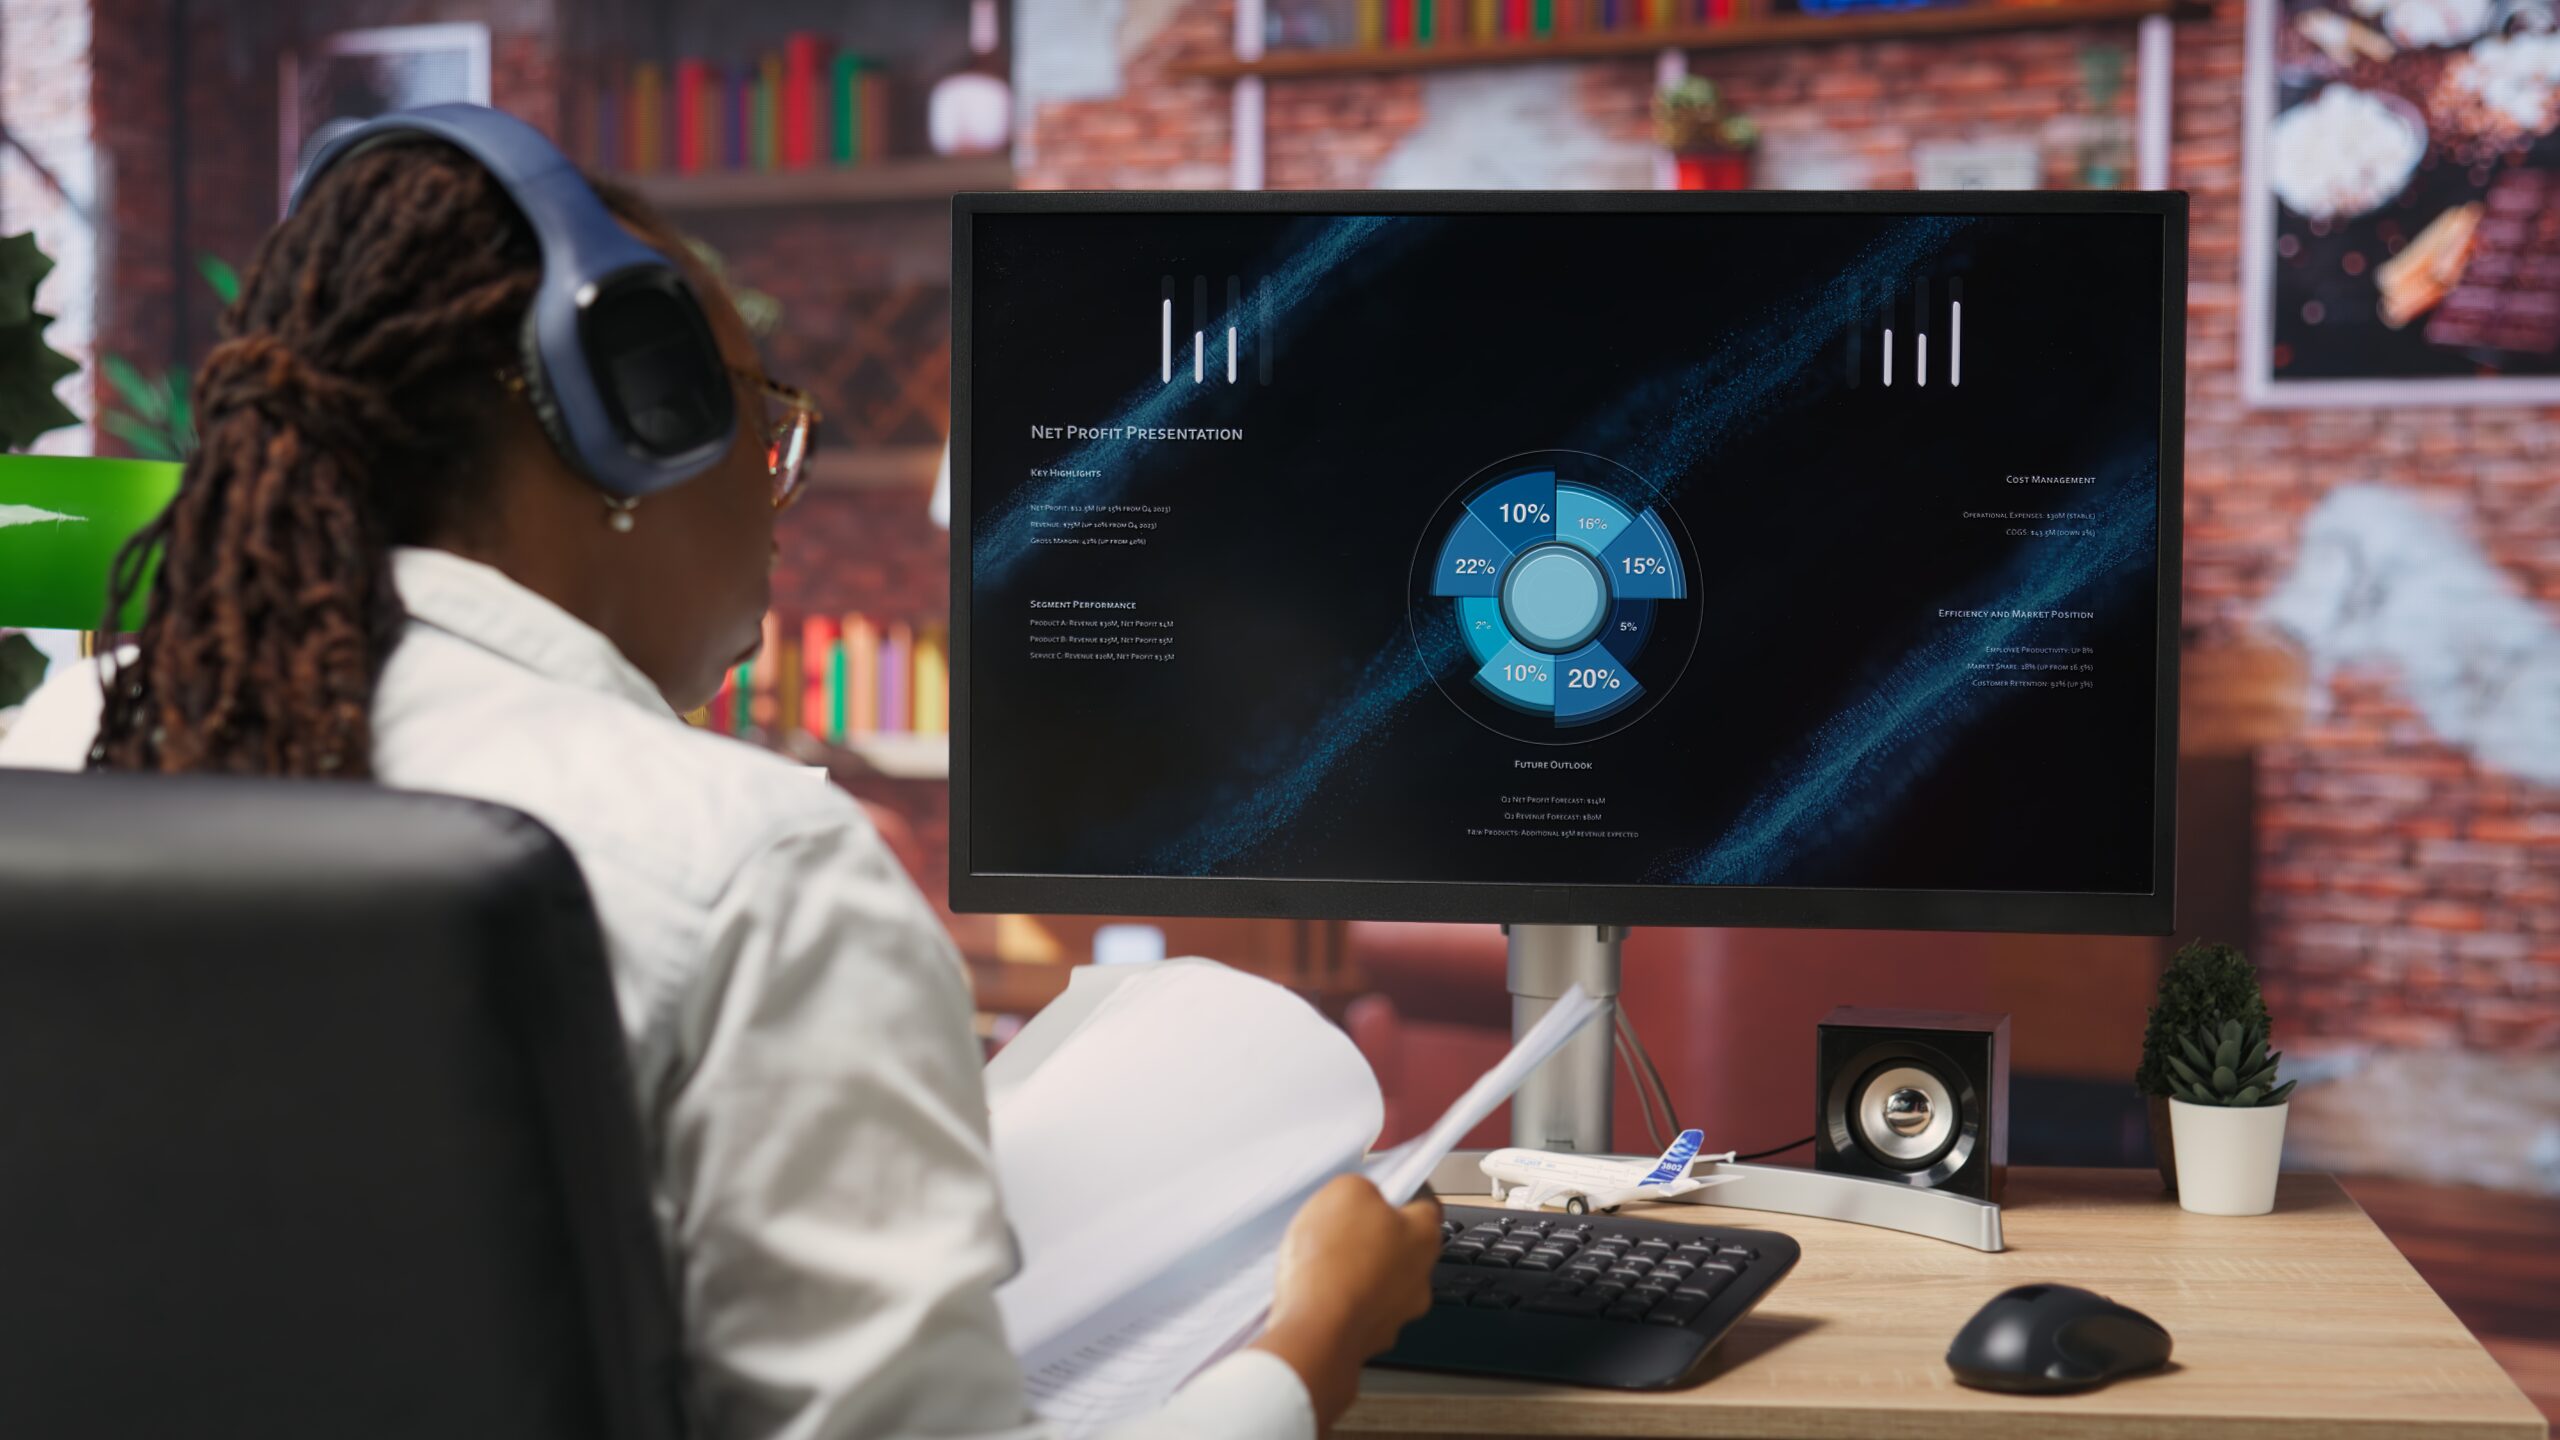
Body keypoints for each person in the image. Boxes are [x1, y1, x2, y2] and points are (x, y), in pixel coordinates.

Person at [0, 127, 1439, 1438]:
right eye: (758, 417)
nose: (776, 486)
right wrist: (1309, 1340)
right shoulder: (753, 866)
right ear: (630, 419)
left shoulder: (41, 758)